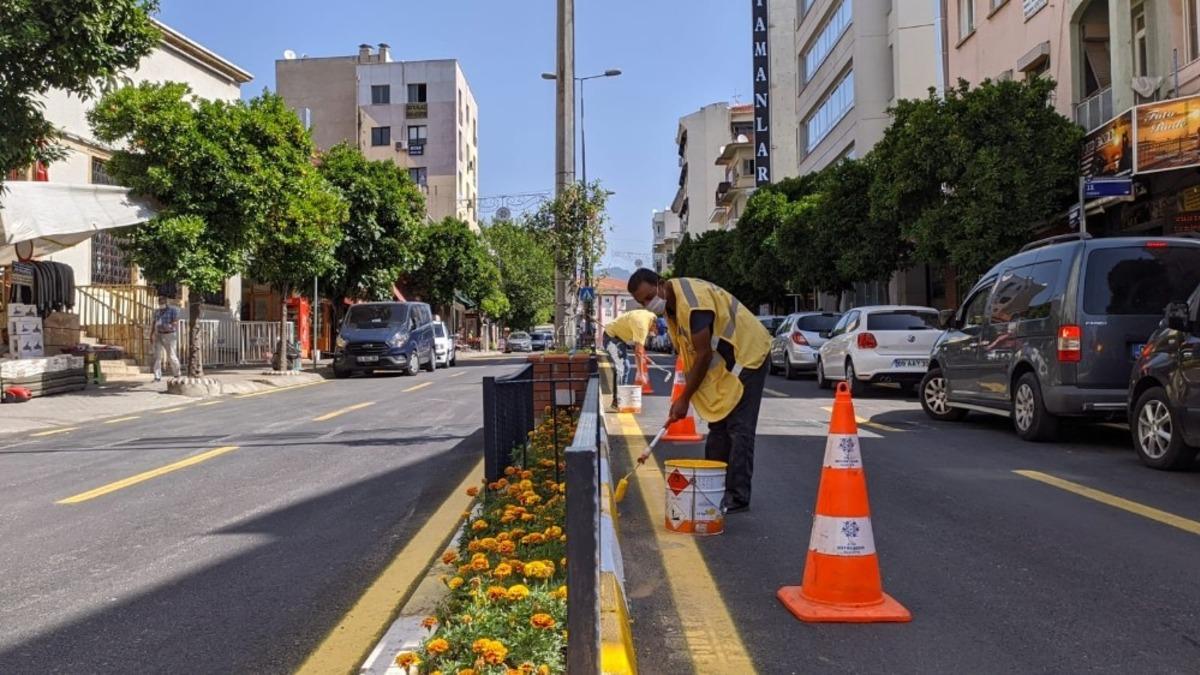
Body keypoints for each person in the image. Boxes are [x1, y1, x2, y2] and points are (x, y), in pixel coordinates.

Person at [627, 269, 771, 514]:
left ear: (661, 284)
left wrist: (684, 399)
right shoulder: (672, 307)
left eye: (650, 296)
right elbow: (691, 354)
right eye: (642, 302)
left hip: (749, 355)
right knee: (718, 424)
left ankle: (737, 496)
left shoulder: (694, 303)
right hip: (727, 366)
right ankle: (713, 486)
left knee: (738, 428)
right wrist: (686, 398)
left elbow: (703, 355)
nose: (648, 305)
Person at [602, 309, 658, 409]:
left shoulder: (651, 316)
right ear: (654, 325)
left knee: (625, 367)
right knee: (623, 367)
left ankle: (619, 399)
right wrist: (641, 374)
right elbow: (638, 352)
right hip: (611, 338)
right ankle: (617, 401)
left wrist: (639, 350)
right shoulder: (642, 326)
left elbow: (638, 349)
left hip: (619, 337)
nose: (652, 333)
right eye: (654, 331)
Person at [151, 295, 182, 382]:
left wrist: (169, 326)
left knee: (171, 355)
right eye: (159, 302)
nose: (161, 304)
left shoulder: (173, 310)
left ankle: (177, 373)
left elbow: (175, 321)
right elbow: (154, 323)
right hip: (159, 334)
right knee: (157, 356)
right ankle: (157, 376)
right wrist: (152, 334)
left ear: (166, 302)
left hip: (169, 335)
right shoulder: (157, 312)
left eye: (162, 302)